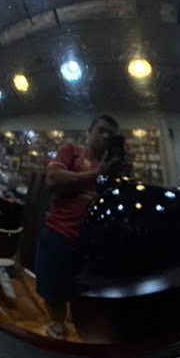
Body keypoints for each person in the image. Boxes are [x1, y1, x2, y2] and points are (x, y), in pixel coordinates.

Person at [34, 114, 119, 338]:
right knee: (52, 291)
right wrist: (95, 175)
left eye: (110, 134)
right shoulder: (72, 151)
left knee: (80, 293)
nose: (104, 136)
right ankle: (57, 324)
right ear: (89, 131)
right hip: (59, 234)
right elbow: (52, 179)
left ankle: (71, 316)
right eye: (101, 130)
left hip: (90, 244)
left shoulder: (111, 169)